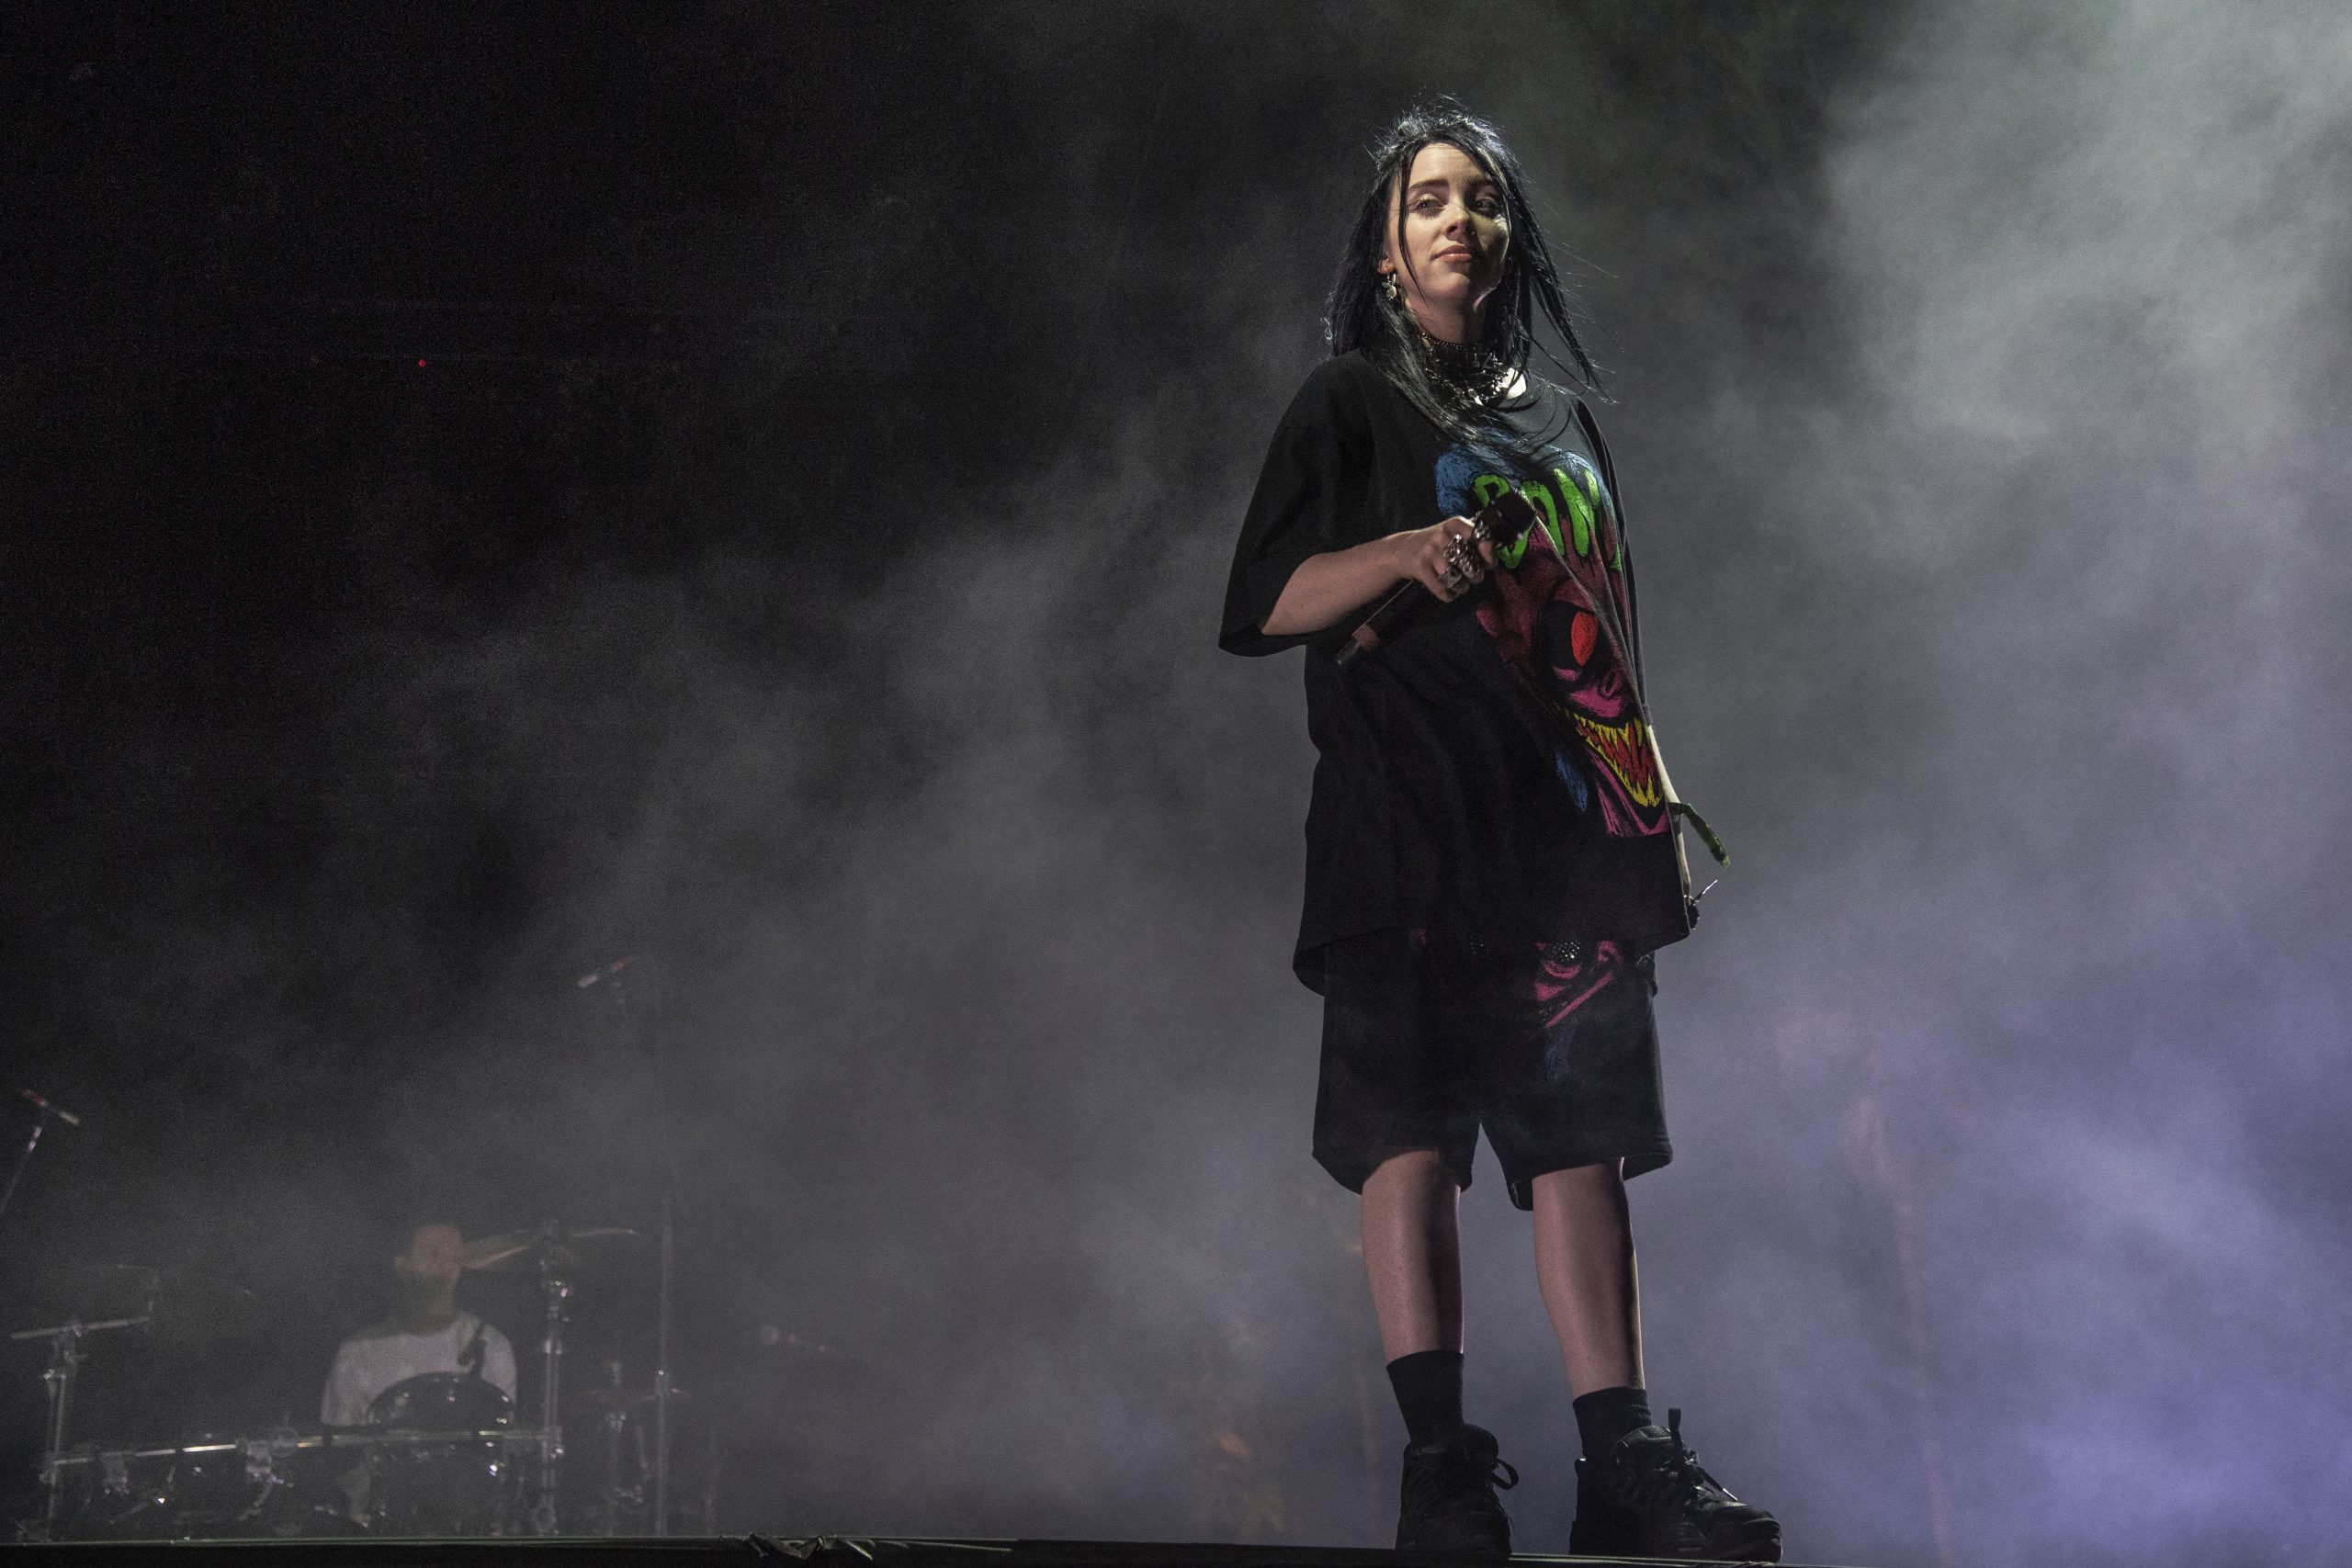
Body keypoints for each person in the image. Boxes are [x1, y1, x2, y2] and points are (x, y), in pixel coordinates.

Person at [1218, 99, 1779, 1562]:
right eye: (1425, 201)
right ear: (1389, 250)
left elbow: (1604, 625)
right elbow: (1260, 601)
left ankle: (1621, 1460)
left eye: (1479, 197)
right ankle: (1442, 1462)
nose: (1456, 218)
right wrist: (1403, 549)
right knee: (1411, 1141)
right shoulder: (1345, 400)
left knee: (1580, 1143)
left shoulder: (1559, 418)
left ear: (1510, 233)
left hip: (1563, 836)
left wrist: (1641, 801)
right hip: (1403, 832)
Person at [321, 1217, 517, 1427]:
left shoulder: (491, 1346)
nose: (443, 1266)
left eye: (454, 1257)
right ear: (403, 1266)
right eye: (431, 1254)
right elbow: (339, 1448)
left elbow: (500, 1442)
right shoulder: (357, 1354)